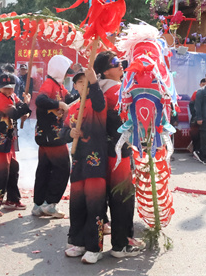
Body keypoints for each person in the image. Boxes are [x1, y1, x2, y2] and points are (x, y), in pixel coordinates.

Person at [94, 50, 145, 258]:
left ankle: (101, 242)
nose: (120, 64)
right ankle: (121, 244)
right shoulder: (116, 90)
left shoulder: (98, 88)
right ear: (105, 71)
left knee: (105, 196)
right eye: (115, 63)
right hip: (118, 151)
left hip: (102, 151)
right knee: (122, 197)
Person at [60, 70, 107, 264]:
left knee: (95, 204)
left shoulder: (97, 104)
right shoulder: (73, 108)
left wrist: (94, 82)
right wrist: (69, 134)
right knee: (77, 203)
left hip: (95, 161)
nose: (83, 84)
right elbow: (62, 132)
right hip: (78, 161)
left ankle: (95, 247)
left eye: (86, 82)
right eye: (80, 82)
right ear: (75, 86)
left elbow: (100, 102)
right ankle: (78, 242)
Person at [0, 73, 31, 217]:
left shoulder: (12, 96)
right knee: (0, 174)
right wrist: (26, 105)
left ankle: (12, 199)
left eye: (11, 88)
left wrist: (25, 109)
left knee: (13, 168)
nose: (8, 90)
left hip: (8, 141)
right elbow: (15, 113)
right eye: (5, 88)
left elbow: (21, 108)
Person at [32, 55, 73, 218]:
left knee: (44, 169)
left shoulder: (60, 87)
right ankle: (50, 203)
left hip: (46, 136)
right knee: (63, 168)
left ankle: (38, 204)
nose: (67, 74)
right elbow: (40, 100)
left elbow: (71, 100)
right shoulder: (49, 84)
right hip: (52, 135)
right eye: (66, 71)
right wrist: (58, 104)